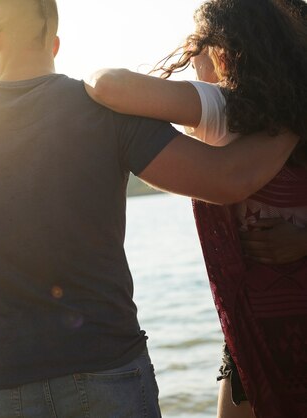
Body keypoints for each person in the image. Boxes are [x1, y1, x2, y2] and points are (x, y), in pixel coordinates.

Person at [0, 0, 300, 416]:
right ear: (53, 43)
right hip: (109, 371)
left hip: (3, 383)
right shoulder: (106, 112)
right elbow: (226, 178)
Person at [85, 0, 307, 416]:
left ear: (223, 52)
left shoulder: (227, 109)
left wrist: (90, 74)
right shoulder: (288, 112)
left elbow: (107, 86)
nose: (192, 60)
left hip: (259, 334)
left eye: (197, 47)